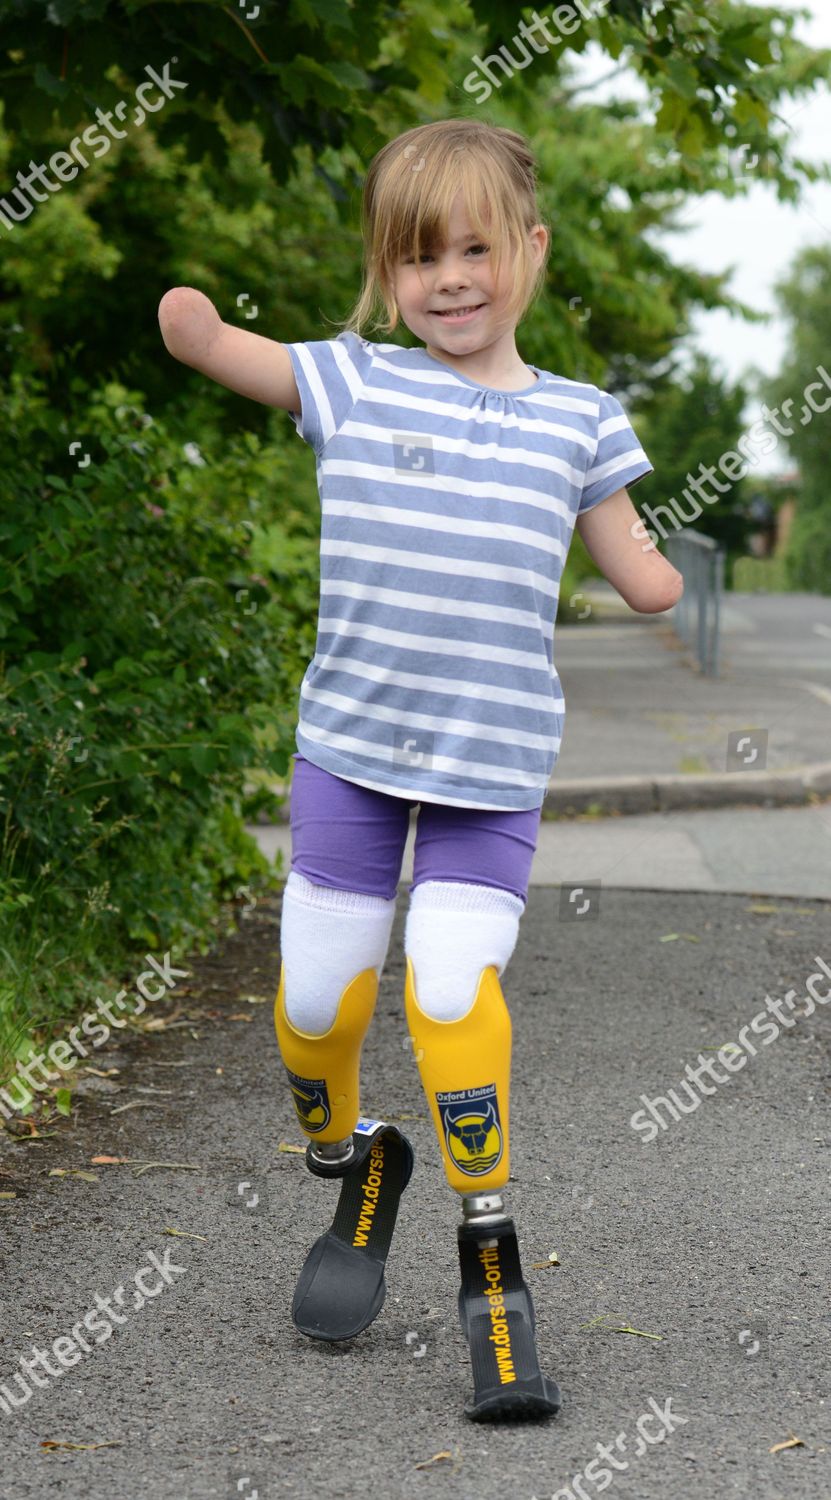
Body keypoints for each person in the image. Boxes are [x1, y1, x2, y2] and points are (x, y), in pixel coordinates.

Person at [158, 116, 683, 1421]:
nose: (448, 277)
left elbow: (637, 564)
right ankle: (356, 1157)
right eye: (415, 257)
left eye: (474, 247)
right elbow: (228, 352)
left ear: (531, 252)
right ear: (386, 275)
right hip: (349, 761)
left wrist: (656, 581)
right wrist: (190, 323)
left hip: (489, 778)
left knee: (451, 996)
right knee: (318, 1009)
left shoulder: (579, 419)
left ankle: (492, 1271)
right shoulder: (353, 380)